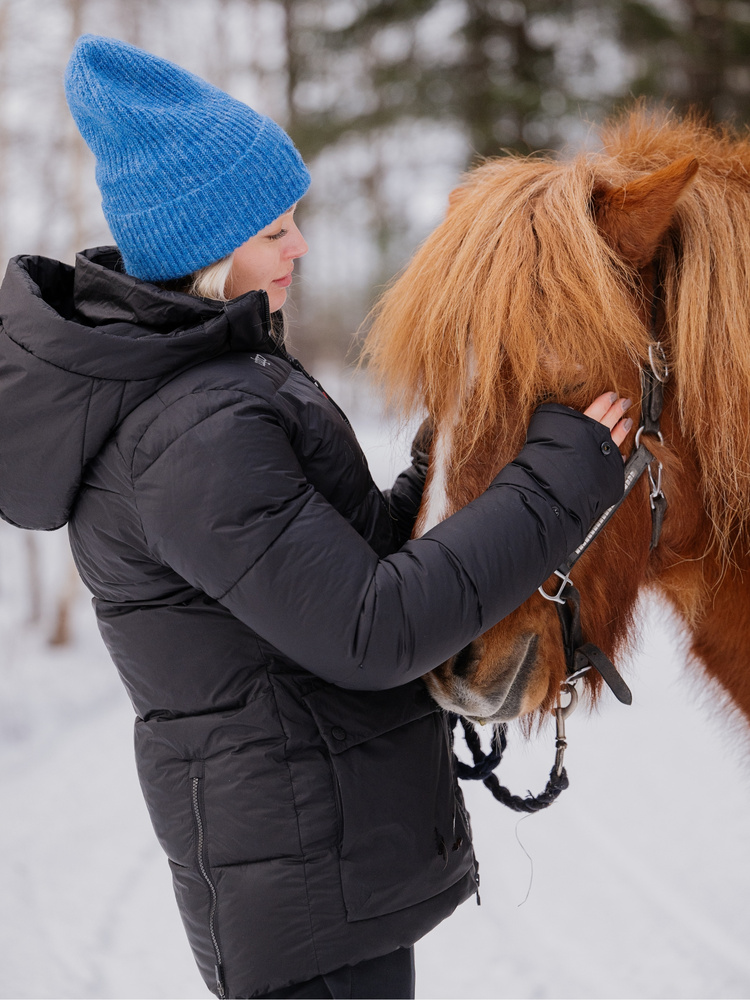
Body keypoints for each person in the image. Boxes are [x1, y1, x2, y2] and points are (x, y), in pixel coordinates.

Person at [0, 34, 630, 1000]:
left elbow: (338, 568)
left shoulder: (209, 386)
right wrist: (561, 478)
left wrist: (443, 454)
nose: (298, 246)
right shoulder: (188, 429)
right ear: (206, 252)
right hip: (305, 900)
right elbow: (370, 630)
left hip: (317, 874)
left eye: (294, 220)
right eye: (270, 231)